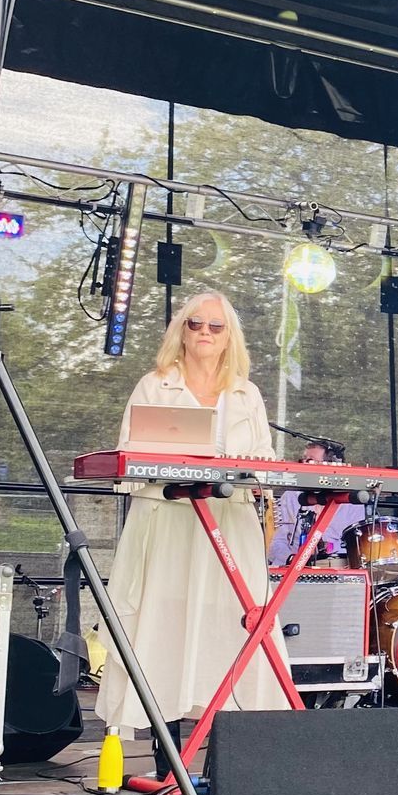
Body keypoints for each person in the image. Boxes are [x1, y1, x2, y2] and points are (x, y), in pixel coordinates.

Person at [96, 291, 292, 764]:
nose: (204, 332)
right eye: (195, 323)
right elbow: (129, 457)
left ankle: (232, 763)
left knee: (232, 629)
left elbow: (264, 464)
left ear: (229, 338)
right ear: (180, 332)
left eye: (215, 326)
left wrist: (246, 469)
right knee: (161, 628)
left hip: (229, 523)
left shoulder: (246, 394)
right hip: (169, 522)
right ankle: (167, 761)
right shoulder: (154, 385)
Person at [265, 440, 367, 567]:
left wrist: (327, 547)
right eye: (303, 460)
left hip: (338, 566)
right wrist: (291, 559)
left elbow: (357, 545)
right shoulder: (291, 496)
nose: (304, 465)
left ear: (331, 465)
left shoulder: (352, 500)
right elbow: (277, 544)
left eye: (310, 461)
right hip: (295, 567)